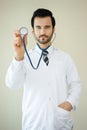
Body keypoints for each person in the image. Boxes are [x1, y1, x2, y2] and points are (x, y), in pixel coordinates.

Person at [5, 8, 82, 130]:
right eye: (38, 27)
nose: (43, 31)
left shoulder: (65, 58)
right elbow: (13, 84)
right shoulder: (23, 58)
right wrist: (19, 56)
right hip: (33, 124)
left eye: (47, 27)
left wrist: (69, 103)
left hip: (60, 124)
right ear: (32, 31)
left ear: (53, 29)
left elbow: (76, 84)